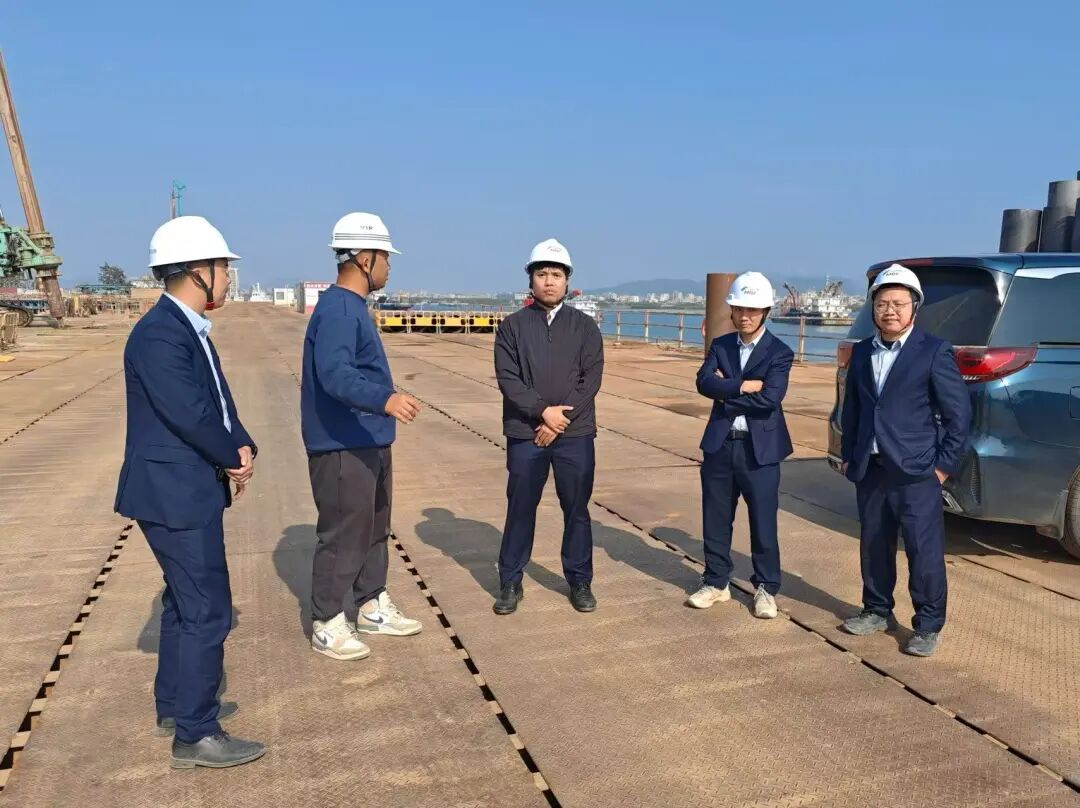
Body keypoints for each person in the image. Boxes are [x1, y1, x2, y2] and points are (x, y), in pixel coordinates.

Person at [114, 215, 265, 769]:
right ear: (199, 270)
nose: (228, 277)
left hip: (184, 488)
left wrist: (241, 444)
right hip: (173, 493)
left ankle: (177, 706)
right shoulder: (160, 334)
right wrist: (229, 455)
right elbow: (189, 413)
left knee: (183, 602)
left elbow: (218, 402)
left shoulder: (187, 328)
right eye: (224, 267)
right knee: (207, 609)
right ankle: (196, 733)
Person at [301, 211, 423, 662]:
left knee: (374, 527)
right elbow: (335, 374)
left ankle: (371, 604)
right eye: (386, 258)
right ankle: (328, 620)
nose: (389, 267)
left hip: (368, 439)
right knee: (343, 533)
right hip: (341, 445)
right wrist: (384, 399)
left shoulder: (352, 308)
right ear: (365, 258)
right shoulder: (338, 309)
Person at [839, 264, 970, 657]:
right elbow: (853, 409)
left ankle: (927, 625)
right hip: (871, 468)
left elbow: (958, 415)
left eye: (898, 303)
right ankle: (877, 609)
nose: (889, 311)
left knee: (922, 551)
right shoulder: (863, 352)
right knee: (874, 544)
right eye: (882, 303)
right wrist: (849, 455)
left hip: (916, 471)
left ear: (915, 306)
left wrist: (942, 466)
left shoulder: (933, 351)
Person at [492, 239, 604, 615]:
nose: (549, 281)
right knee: (520, 507)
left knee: (577, 509)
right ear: (530, 279)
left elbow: (590, 379)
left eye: (556, 274)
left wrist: (558, 421)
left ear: (567, 280)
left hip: (574, 434)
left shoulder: (585, 327)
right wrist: (542, 413)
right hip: (526, 433)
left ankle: (580, 581)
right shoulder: (512, 327)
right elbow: (509, 379)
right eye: (542, 274)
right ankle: (510, 581)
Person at [690, 272, 794, 619]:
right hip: (720, 444)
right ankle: (716, 582)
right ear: (732, 311)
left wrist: (727, 391)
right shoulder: (721, 345)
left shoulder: (779, 352)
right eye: (739, 309)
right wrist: (744, 386)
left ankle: (766, 588)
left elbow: (770, 399)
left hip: (759, 450)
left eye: (752, 310)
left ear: (765, 312)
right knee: (716, 517)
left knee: (763, 521)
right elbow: (703, 383)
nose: (745, 316)